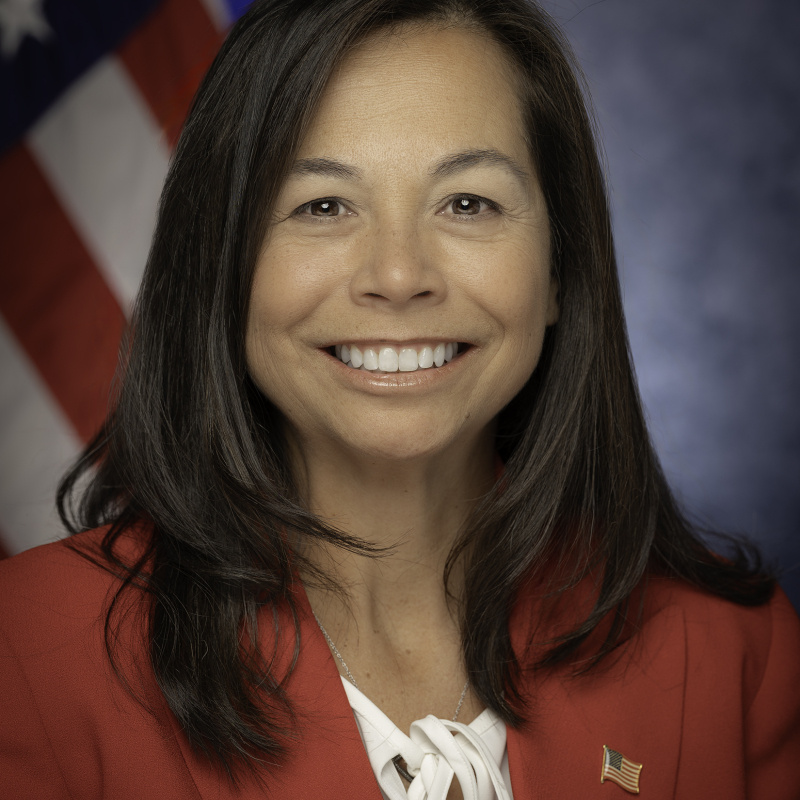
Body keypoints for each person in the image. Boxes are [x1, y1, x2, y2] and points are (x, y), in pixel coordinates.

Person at [1, 0, 799, 798]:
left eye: (467, 204)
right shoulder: (25, 655)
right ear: (222, 266)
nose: (397, 275)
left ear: (560, 268)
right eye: (322, 206)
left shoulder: (734, 651)